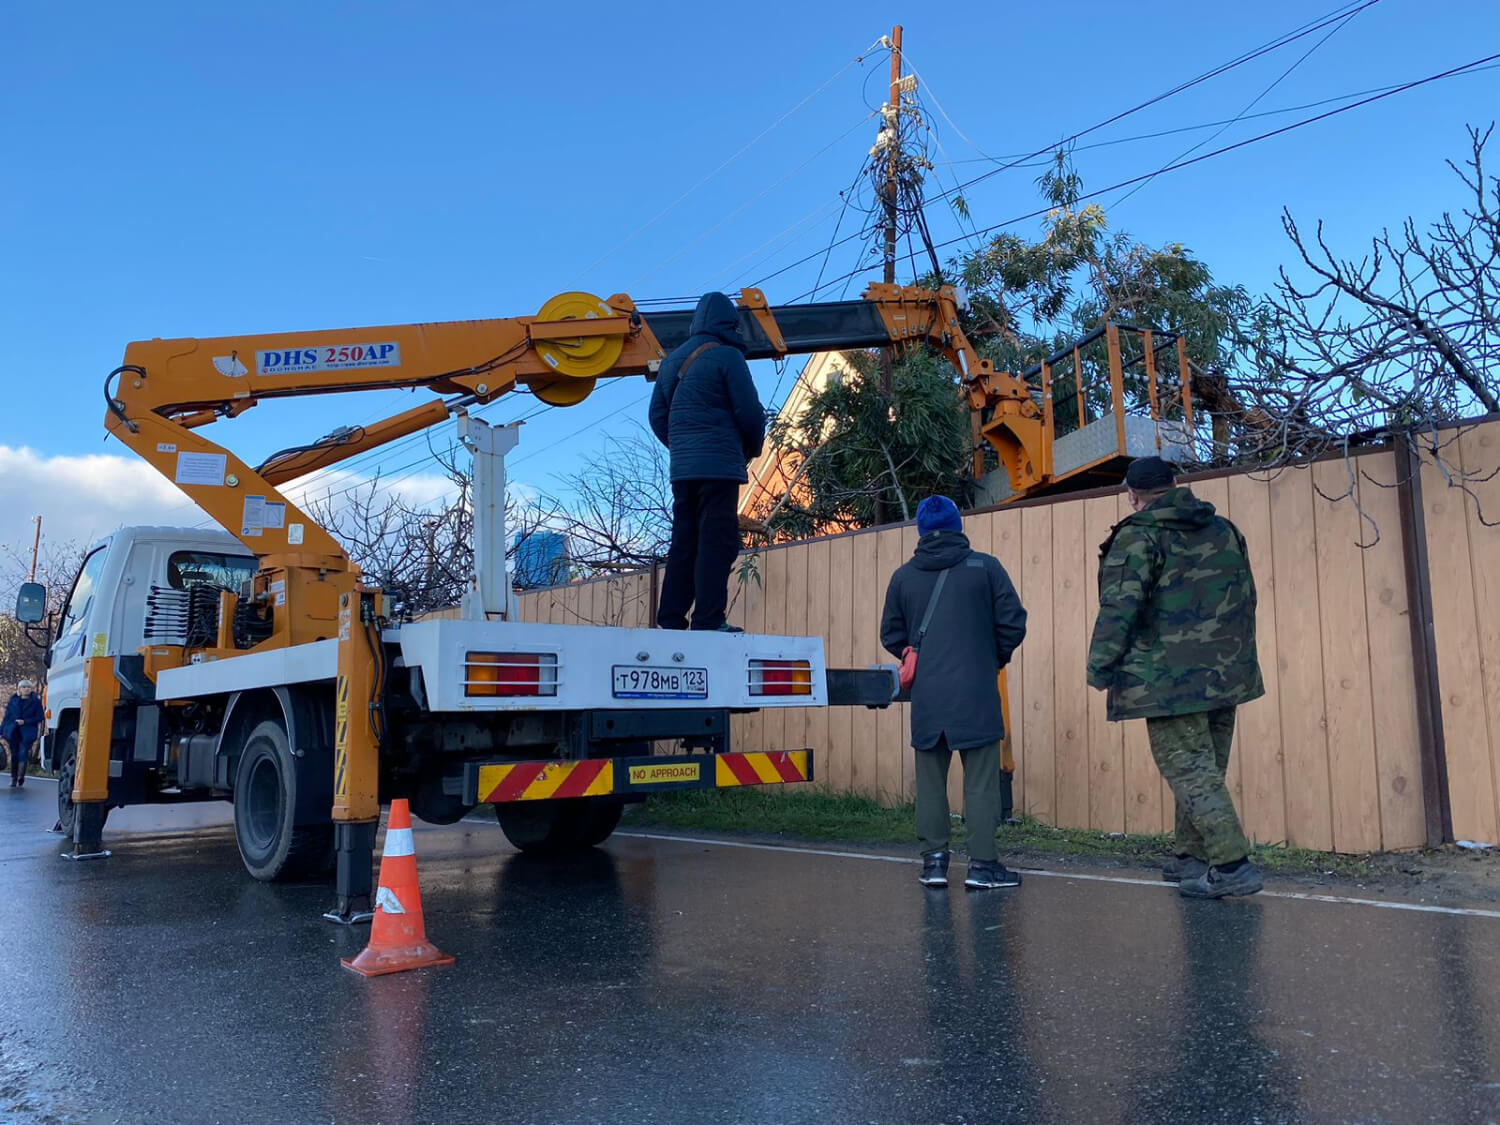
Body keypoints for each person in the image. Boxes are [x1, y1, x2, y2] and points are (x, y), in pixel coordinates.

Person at [1086, 456, 1265, 899]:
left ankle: (1231, 865)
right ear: (1175, 484)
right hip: (1227, 671)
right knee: (1206, 768)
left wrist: (1100, 666)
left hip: (1167, 679)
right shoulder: (1225, 530)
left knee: (1190, 769)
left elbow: (1120, 608)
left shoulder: (1138, 536)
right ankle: (1192, 856)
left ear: (1132, 494)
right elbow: (1248, 597)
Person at [881, 495, 1028, 890]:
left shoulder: (904, 577)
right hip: (976, 692)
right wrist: (991, 658)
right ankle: (982, 867)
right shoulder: (985, 568)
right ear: (958, 526)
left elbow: (891, 634)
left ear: (921, 531)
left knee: (930, 781)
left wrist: (916, 654)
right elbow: (1014, 622)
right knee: (980, 781)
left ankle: (934, 863)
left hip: (928, 696)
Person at [648, 291, 766, 632]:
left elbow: (657, 415)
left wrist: (681, 446)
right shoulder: (728, 356)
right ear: (729, 324)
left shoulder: (671, 361)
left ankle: (670, 619)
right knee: (717, 540)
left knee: (684, 541)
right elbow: (750, 413)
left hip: (683, 471)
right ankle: (708, 619)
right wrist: (751, 450)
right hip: (719, 466)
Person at [2, 679, 45, 788]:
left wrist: (25, 721)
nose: (26, 689)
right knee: (15, 754)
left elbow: (40, 717)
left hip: (28, 731)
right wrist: (2, 730)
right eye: (24, 687)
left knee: (23, 752)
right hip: (13, 731)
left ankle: (21, 776)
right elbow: (7, 717)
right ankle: (13, 778)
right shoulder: (14, 700)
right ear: (19, 689)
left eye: (28, 687)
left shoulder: (35, 702)